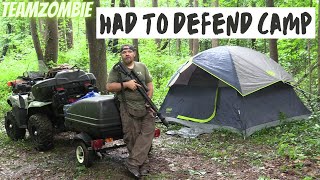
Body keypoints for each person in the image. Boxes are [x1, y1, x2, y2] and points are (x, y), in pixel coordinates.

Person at [106, 44, 155, 178]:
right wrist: (126, 85)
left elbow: (150, 86)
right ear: (121, 55)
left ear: (134, 54)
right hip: (128, 107)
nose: (127, 54)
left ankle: (133, 163)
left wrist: (148, 100)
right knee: (132, 136)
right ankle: (142, 164)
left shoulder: (142, 67)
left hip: (145, 106)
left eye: (129, 51)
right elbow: (109, 86)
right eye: (124, 52)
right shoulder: (117, 69)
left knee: (147, 133)